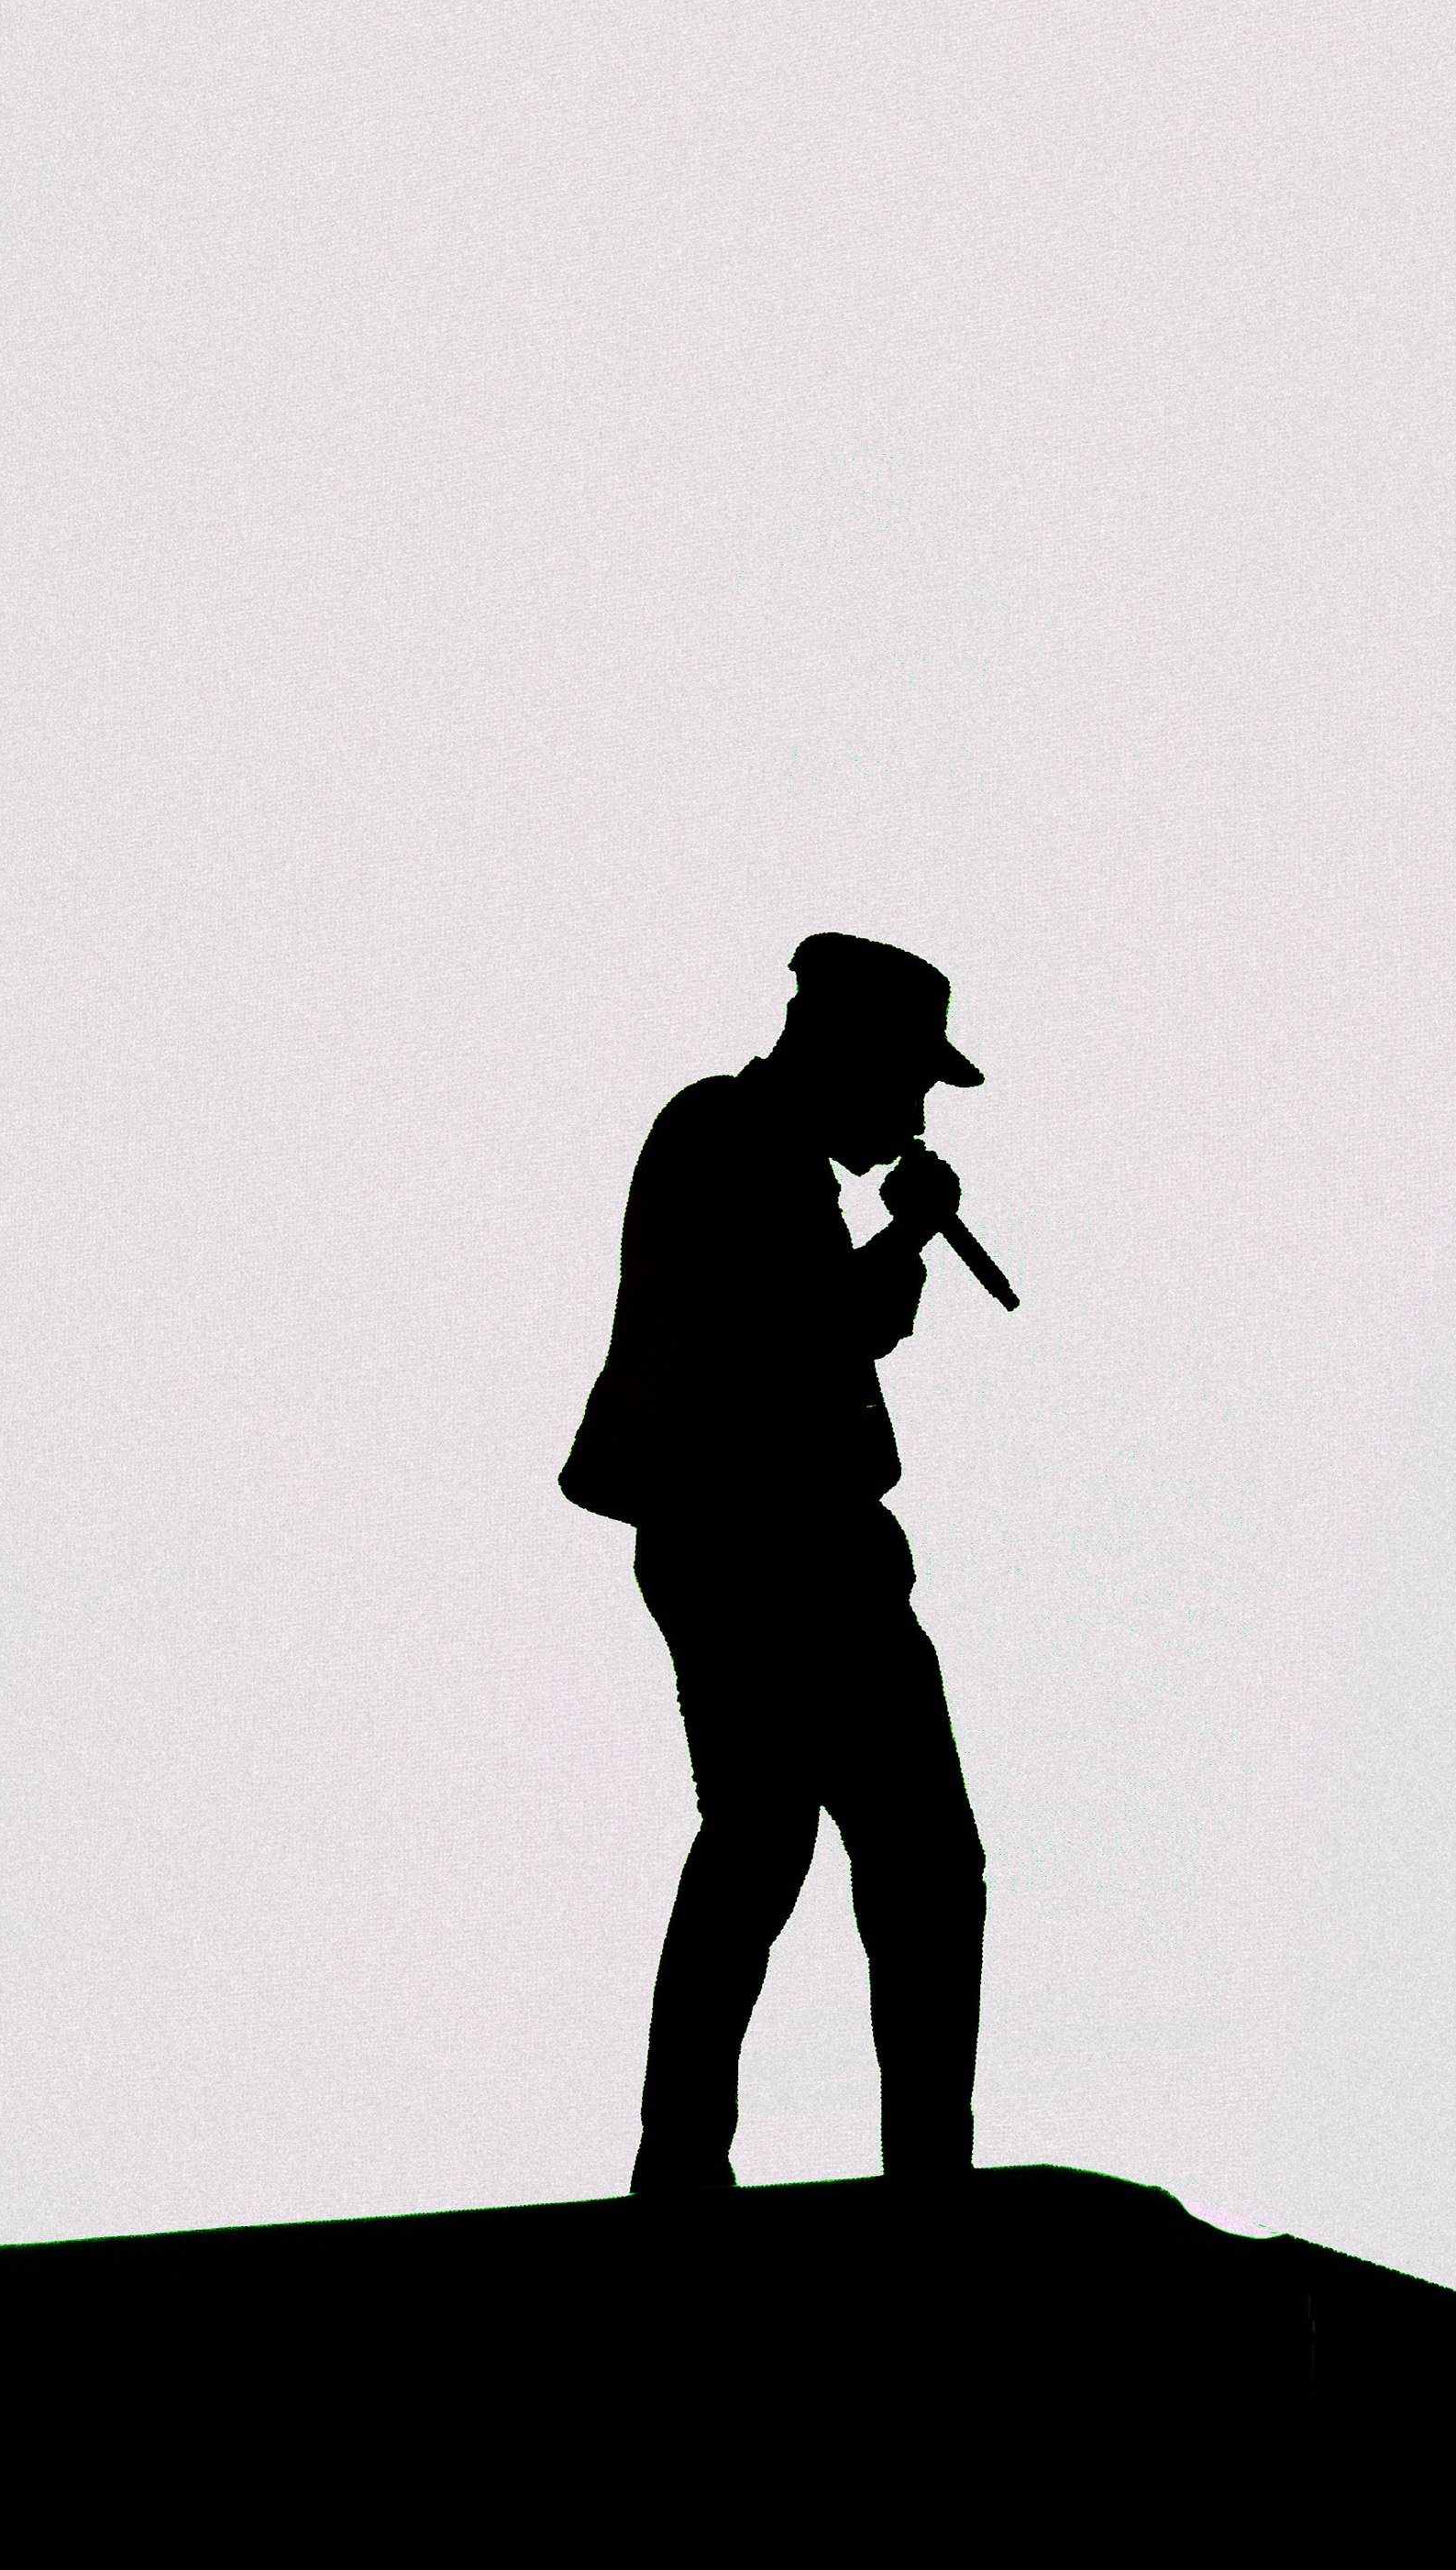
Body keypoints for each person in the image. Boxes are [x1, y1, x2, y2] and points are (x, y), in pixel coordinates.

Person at [561, 933, 991, 2190]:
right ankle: (905, 2179)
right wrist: (906, 1236)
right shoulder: (733, 1141)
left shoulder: (753, 1151)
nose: (911, 1111)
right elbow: (814, 1331)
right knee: (903, 1861)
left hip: (754, 1542)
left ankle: (692, 2160)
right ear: (846, 1048)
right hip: (775, 1547)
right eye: (905, 1078)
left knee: (779, 1843)